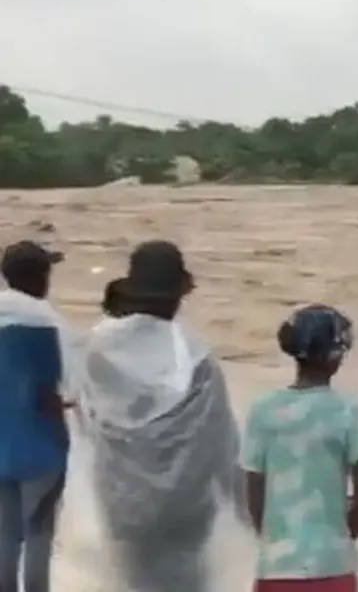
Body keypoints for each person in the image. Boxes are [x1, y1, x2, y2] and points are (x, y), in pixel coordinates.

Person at [77, 240, 246, 592]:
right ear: (177, 294)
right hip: (186, 509)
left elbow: (86, 421)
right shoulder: (195, 355)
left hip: (120, 502)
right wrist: (252, 509)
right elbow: (222, 444)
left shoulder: (96, 345)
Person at [243, 304, 358, 592]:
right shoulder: (352, 411)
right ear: (335, 355)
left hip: (276, 569)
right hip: (333, 566)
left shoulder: (262, 411)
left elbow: (254, 497)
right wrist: (342, 538)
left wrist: (274, 541)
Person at [0, 241, 71, 592]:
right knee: (39, 533)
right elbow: (70, 388)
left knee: (5, 537)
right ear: (44, 276)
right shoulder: (50, 321)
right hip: (44, 448)